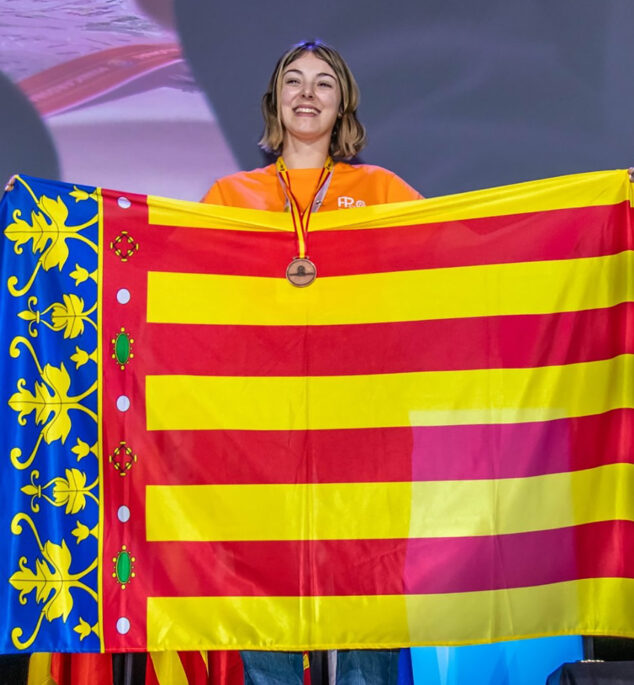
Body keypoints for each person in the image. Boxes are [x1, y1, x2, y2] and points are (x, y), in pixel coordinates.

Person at [202, 40, 421, 685]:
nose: (307, 93)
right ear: (276, 102)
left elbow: (459, 247)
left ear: (342, 103)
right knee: (263, 584)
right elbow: (189, 285)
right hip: (263, 430)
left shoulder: (379, 189)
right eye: (293, 81)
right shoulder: (229, 193)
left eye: (323, 84)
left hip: (363, 425)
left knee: (367, 585)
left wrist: (597, 204)